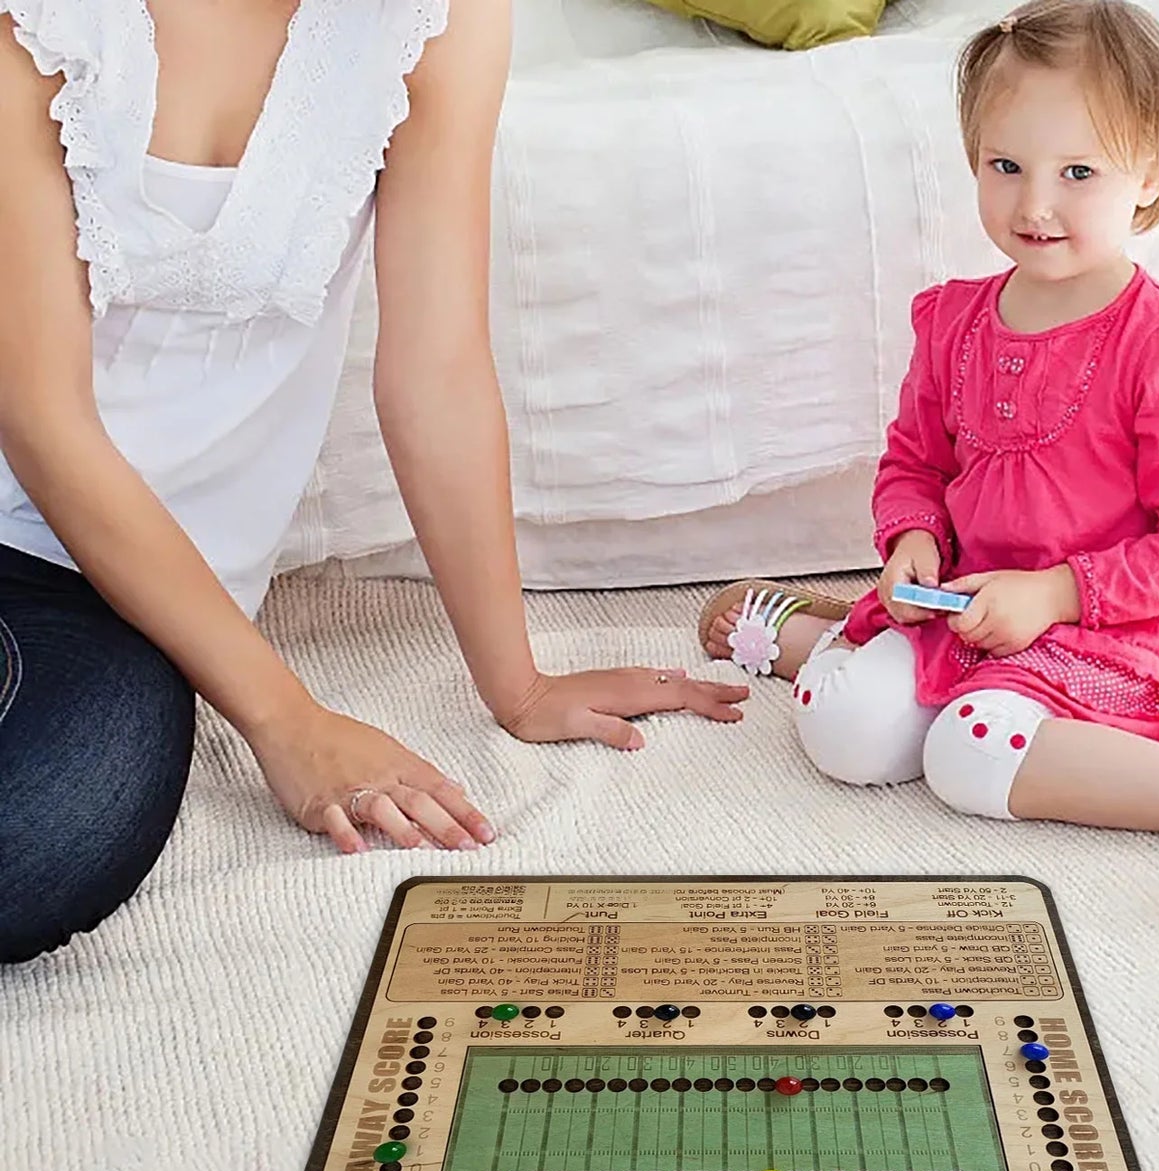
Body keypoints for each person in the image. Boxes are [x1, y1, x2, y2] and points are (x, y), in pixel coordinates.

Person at [0, 0, 748, 965]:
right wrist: (286, 718)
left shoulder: (433, 23)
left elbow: (435, 375)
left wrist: (516, 684)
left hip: (116, 609)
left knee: (42, 838)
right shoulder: (40, 19)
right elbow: (42, 421)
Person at [697, 0, 1159, 920]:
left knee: (969, 752)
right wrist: (913, 539)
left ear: (1153, 171)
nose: (1034, 204)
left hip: (1109, 630)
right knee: (847, 735)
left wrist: (1054, 594)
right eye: (1005, 166)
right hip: (966, 610)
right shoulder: (953, 320)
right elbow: (912, 465)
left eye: (1077, 171)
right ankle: (822, 630)